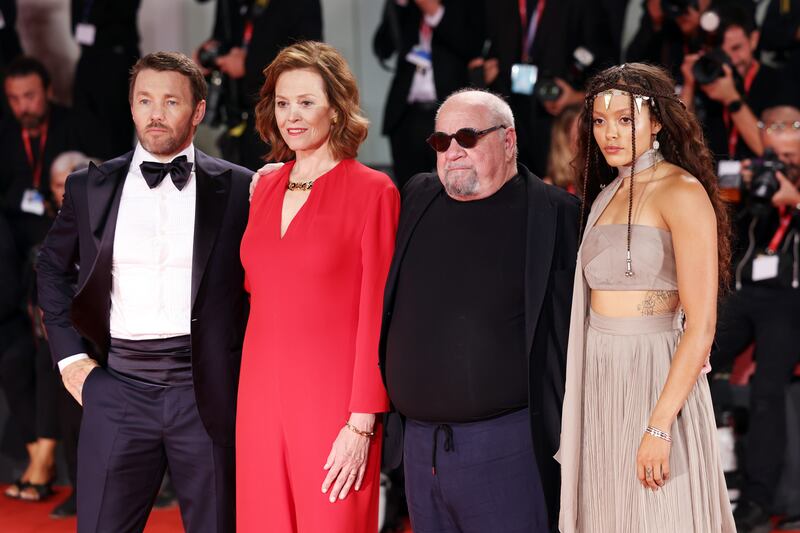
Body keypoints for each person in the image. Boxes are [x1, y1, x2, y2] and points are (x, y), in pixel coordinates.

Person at [36, 51, 252, 533]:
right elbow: (50, 269)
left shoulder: (241, 189)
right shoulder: (88, 187)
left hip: (208, 394)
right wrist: (71, 362)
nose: (155, 113)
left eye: (171, 101)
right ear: (131, 107)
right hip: (117, 388)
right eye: (144, 100)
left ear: (197, 110)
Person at [377, 88, 580, 532]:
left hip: (509, 449)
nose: (452, 152)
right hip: (418, 450)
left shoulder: (559, 215)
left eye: (467, 137)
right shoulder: (416, 196)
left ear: (508, 141)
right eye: (441, 141)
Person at [557, 62, 735, 532]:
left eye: (624, 119)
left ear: (656, 121)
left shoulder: (682, 191)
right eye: (599, 120)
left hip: (658, 375)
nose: (609, 133)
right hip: (599, 374)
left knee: (660, 514)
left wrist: (659, 426)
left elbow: (701, 325)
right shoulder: (605, 194)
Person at [237, 41, 399, 533]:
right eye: (283, 103)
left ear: (336, 107)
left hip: (334, 405)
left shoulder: (374, 192)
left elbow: (378, 313)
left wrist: (362, 423)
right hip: (259, 398)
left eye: (307, 102)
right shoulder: (262, 187)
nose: (293, 116)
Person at [710, 104, 800, 533]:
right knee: (697, 359)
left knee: (768, 390)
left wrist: (794, 198)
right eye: (774, 157)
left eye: (789, 159)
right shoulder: (756, 174)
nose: (780, 166)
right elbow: (718, 203)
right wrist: (740, 185)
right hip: (747, 292)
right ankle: (707, 471)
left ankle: (759, 500)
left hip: (791, 298)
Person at [0, 56, 110, 259]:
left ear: (48, 91)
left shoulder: (79, 125)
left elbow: (107, 172)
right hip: (14, 223)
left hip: (63, 220)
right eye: (13, 99)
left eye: (29, 96)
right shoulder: (5, 132)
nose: (22, 107)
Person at [195, 0, 322, 171]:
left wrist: (248, 65)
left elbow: (309, 56)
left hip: (277, 120)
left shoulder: (300, 5)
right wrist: (210, 56)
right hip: (237, 117)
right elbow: (223, 38)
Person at [373, 0, 482, 189]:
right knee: (409, 190)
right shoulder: (407, 7)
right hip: (407, 113)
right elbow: (382, 48)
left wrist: (435, 12)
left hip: (451, 112)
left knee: (456, 185)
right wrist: (399, 7)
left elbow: (474, 45)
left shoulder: (461, 6)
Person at [71, 0, 142, 155]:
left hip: (116, 60)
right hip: (88, 58)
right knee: (85, 121)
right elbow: (75, 26)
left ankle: (119, 173)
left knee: (115, 129)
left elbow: (118, 19)